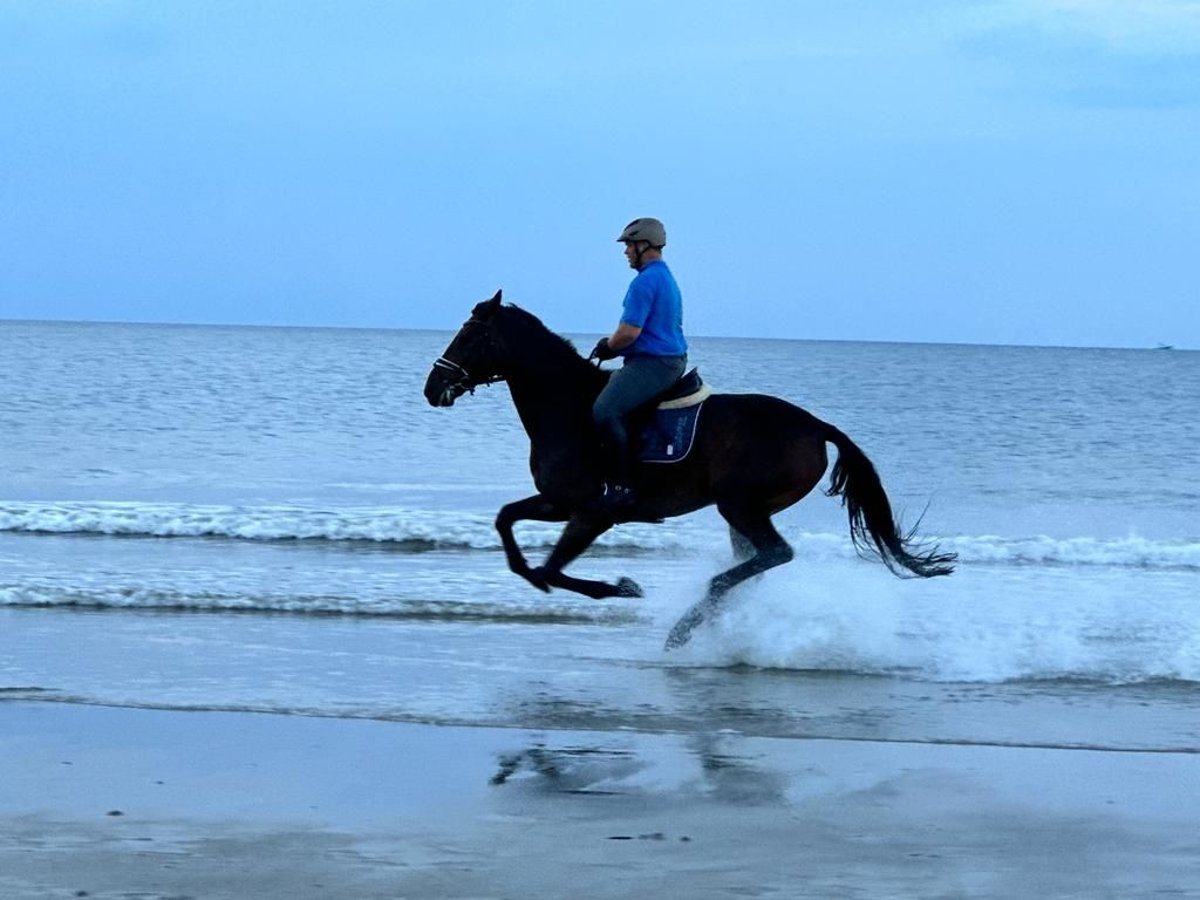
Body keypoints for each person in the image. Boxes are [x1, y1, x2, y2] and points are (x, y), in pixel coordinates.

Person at [589, 217, 688, 515]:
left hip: (654, 363)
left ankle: (622, 489)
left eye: (629, 245)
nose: (626, 252)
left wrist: (608, 346)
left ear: (645, 245)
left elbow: (629, 332)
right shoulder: (663, 277)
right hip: (665, 360)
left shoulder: (644, 281)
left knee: (604, 410)